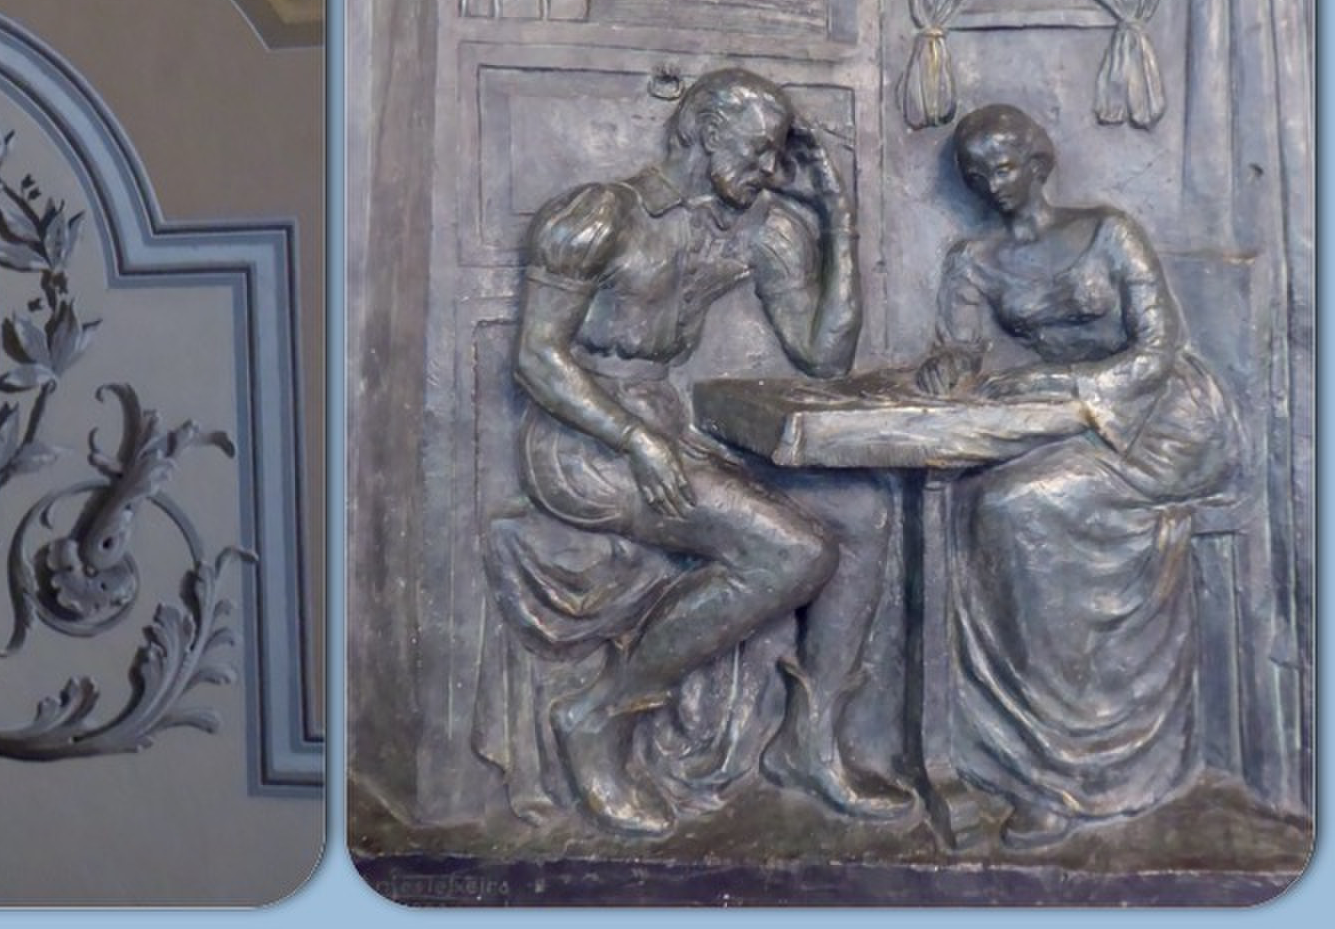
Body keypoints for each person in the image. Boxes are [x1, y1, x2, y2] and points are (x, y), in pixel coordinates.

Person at [486, 67, 900, 836]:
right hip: (585, 441)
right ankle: (596, 717)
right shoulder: (599, 216)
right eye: (757, 151)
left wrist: (838, 221)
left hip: (667, 425)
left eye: (778, 157)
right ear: (702, 132)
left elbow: (823, 355)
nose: (770, 171)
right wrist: (633, 437)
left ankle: (810, 744)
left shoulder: (759, 228)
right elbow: (538, 360)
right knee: (793, 553)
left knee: (865, 509)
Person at [915, 104, 1240, 848]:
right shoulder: (975, 260)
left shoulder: (1106, 231)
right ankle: (1019, 759)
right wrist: (949, 367)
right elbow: (962, 353)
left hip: (1160, 418)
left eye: (1003, 164)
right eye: (975, 172)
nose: (992, 183)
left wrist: (1066, 386)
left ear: (1038, 160)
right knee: (973, 503)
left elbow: (1161, 346)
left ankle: (1074, 772)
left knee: (1016, 508)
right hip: (1066, 422)